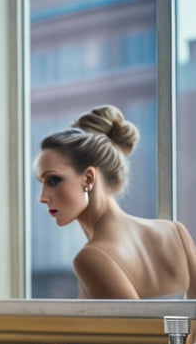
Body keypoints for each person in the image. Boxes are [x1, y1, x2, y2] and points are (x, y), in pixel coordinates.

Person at [33, 105, 196, 299]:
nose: (42, 197)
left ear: (88, 179)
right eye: (42, 183)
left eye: (53, 180)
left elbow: (136, 329)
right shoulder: (175, 232)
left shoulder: (91, 258)